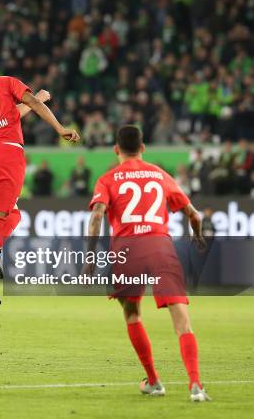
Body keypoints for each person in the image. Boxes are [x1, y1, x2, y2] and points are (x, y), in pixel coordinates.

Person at [85, 125, 210, 402]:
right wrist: (197, 238)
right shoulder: (159, 174)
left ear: (116, 149)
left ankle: (154, 381)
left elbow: (96, 217)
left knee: (132, 314)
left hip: (127, 252)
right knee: (182, 322)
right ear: (143, 148)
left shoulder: (108, 179)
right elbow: (194, 215)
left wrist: (91, 254)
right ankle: (195, 385)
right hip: (161, 247)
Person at [0, 57, 79, 319]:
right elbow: (31, 101)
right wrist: (59, 128)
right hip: (8, 152)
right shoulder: (4, 82)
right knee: (1, 216)